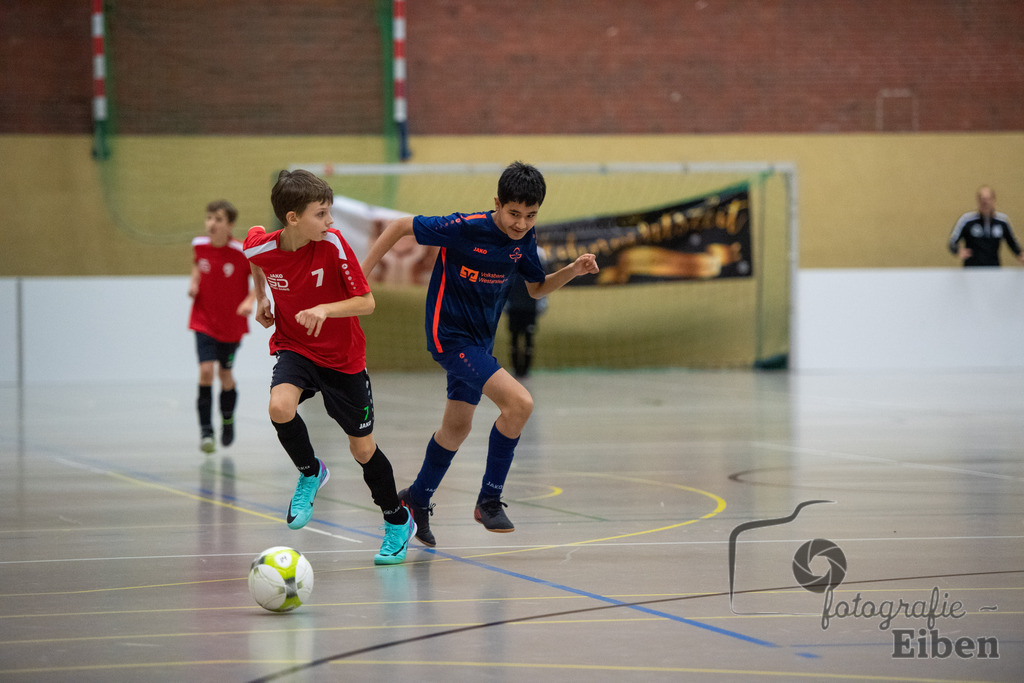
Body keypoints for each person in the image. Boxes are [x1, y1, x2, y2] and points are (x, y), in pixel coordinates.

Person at [361, 161, 599, 547]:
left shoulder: (524, 240)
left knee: (457, 427)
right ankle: (488, 500)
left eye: (531, 215)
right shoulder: (465, 227)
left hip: (479, 343)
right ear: (497, 204)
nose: (521, 223)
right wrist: (360, 276)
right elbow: (401, 226)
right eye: (514, 213)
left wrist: (573, 269)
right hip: (450, 338)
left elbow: (536, 288)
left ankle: (416, 499)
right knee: (519, 404)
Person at [244, 169, 415, 566]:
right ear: (292, 219)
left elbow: (366, 302)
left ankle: (397, 520)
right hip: (295, 347)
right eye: (320, 214)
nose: (330, 221)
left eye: (330, 212)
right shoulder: (264, 248)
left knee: (362, 449)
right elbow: (251, 249)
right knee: (279, 407)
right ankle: (310, 472)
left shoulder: (333, 243)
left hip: (343, 358)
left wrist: (325, 309)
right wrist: (261, 296)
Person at [188, 200, 255, 454]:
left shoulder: (241, 251)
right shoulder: (199, 245)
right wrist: (194, 283)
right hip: (203, 320)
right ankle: (206, 431)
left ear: (230, 225)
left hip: (231, 325)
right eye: (209, 218)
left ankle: (227, 419)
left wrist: (250, 301)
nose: (211, 224)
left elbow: (259, 278)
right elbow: (197, 264)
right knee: (206, 371)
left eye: (218, 219)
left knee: (225, 375)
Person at [948, 185, 1024, 267]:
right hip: (971, 269)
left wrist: (1021, 255)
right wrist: (958, 251)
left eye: (988, 199)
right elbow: (952, 242)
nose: (985, 203)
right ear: (978, 201)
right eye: (982, 200)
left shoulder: (1002, 221)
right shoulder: (967, 220)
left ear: (994, 200)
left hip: (994, 269)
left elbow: (1012, 243)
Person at [505, 247, 547, 378]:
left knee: (529, 338)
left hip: (530, 306)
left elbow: (543, 280)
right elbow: (504, 279)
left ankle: (526, 370)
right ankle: (516, 370)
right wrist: (504, 302)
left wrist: (542, 302)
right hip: (514, 306)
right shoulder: (509, 251)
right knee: (514, 338)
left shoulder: (539, 254)